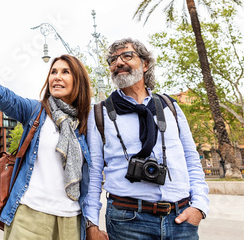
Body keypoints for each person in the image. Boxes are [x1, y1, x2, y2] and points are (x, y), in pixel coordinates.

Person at [0, 41, 100, 240]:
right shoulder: (35, 111)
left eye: (65, 72)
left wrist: (92, 223)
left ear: (79, 80)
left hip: (72, 221)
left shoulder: (89, 122)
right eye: (53, 72)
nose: (57, 77)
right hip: (29, 216)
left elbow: (95, 177)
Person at [84, 38, 209, 240]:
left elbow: (191, 160)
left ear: (145, 64)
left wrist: (199, 207)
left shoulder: (170, 107)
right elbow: (93, 173)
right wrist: (91, 223)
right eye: (112, 60)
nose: (118, 62)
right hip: (127, 222)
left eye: (127, 55)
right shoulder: (100, 113)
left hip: (181, 219)